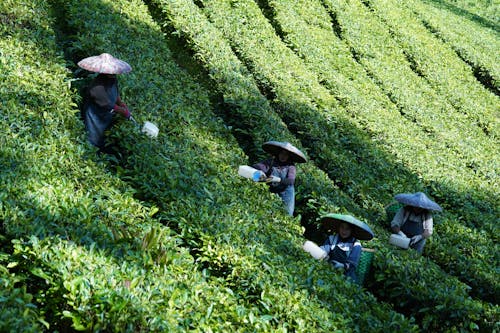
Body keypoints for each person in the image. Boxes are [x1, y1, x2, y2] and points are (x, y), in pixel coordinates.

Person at [77, 53, 132, 152]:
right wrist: (121, 110)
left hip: (106, 113)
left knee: (102, 135)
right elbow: (105, 102)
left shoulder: (112, 78)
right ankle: (90, 153)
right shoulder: (97, 85)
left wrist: (121, 102)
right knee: (93, 135)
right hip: (95, 113)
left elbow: (115, 91)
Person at [252, 141, 307, 216]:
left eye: (286, 155)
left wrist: (279, 179)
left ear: (289, 156)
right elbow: (259, 166)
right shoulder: (272, 162)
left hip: (286, 192)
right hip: (272, 189)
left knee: (287, 214)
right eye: (282, 153)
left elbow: (290, 181)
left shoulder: (291, 167)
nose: (283, 156)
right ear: (278, 153)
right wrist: (259, 170)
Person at [319, 214, 374, 281]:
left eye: (347, 229)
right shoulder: (332, 239)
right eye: (342, 227)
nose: (344, 231)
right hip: (330, 271)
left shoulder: (356, 245)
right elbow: (324, 250)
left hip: (347, 277)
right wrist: (322, 254)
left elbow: (352, 265)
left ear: (351, 230)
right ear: (339, 227)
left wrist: (342, 266)